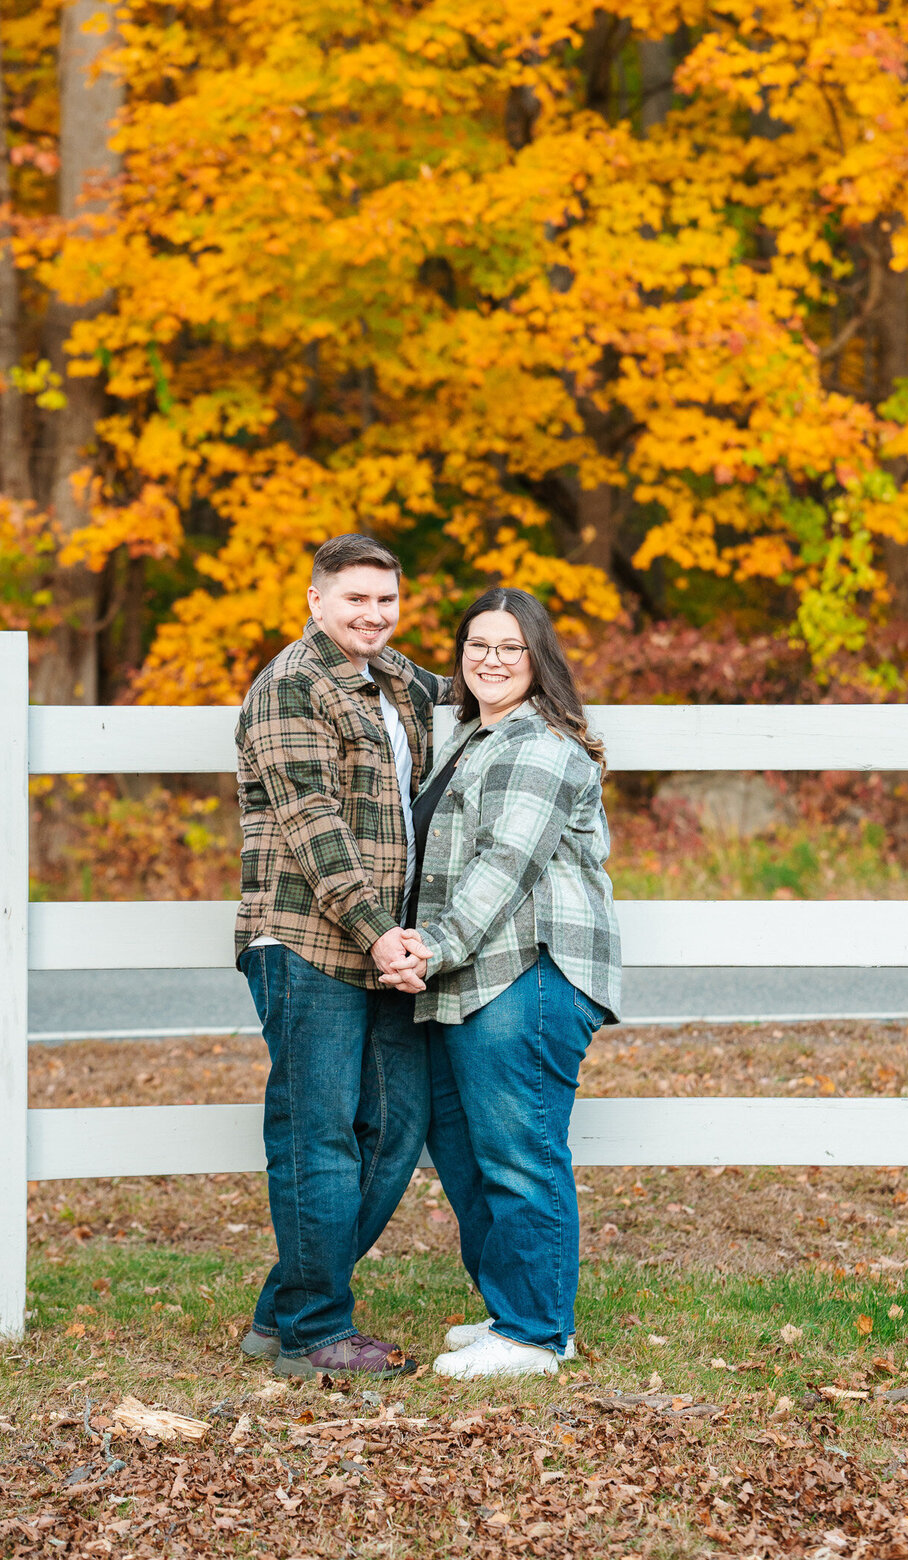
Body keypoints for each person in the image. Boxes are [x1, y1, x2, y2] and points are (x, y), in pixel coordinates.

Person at [377, 586, 621, 1379]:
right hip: (471, 977)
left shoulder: (540, 745)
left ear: (537, 658)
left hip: (531, 970)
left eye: (511, 647)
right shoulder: (472, 740)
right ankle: (518, 1307)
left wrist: (431, 946)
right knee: (465, 1152)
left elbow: (505, 868)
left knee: (518, 1152)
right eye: (477, 644)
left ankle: (537, 1334)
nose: (491, 659)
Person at [234, 533, 452, 1378]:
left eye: (386, 600)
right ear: (316, 601)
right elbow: (313, 827)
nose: (373, 613)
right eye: (355, 598)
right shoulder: (291, 686)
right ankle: (316, 1334)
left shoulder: (396, 681)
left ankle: (280, 1313)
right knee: (318, 1134)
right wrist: (379, 932)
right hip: (309, 939)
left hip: (387, 946)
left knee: (397, 1127)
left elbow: (489, 686)